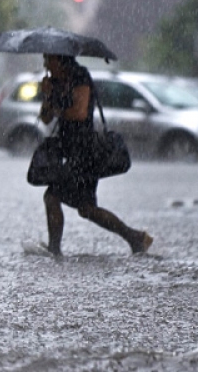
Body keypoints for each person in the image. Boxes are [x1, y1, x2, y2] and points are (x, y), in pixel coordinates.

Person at [38, 53, 152, 257]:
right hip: (69, 150)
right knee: (86, 208)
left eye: (48, 59)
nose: (45, 63)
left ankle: (54, 250)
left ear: (61, 60)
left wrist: (56, 107)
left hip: (85, 152)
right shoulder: (54, 82)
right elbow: (45, 119)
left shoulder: (80, 77)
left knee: (54, 196)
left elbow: (79, 113)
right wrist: (47, 95)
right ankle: (135, 238)